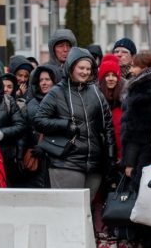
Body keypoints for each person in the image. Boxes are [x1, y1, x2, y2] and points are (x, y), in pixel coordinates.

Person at [34, 47, 115, 199]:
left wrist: (110, 157)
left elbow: (108, 126)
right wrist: (65, 125)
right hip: (66, 162)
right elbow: (39, 121)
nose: (85, 72)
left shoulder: (96, 92)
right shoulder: (57, 92)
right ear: (71, 67)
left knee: (86, 213)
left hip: (94, 164)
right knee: (67, 211)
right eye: (81, 68)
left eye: (88, 68)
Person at [122, 52, 151, 189]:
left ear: (146, 67)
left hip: (143, 153)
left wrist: (130, 162)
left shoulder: (143, 90)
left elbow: (135, 132)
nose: (131, 70)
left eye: (134, 66)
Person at [21, 64, 62, 188]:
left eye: (47, 79)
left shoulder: (63, 103)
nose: (44, 83)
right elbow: (25, 130)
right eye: (41, 80)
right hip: (36, 157)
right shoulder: (31, 103)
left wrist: (45, 147)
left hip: (56, 158)